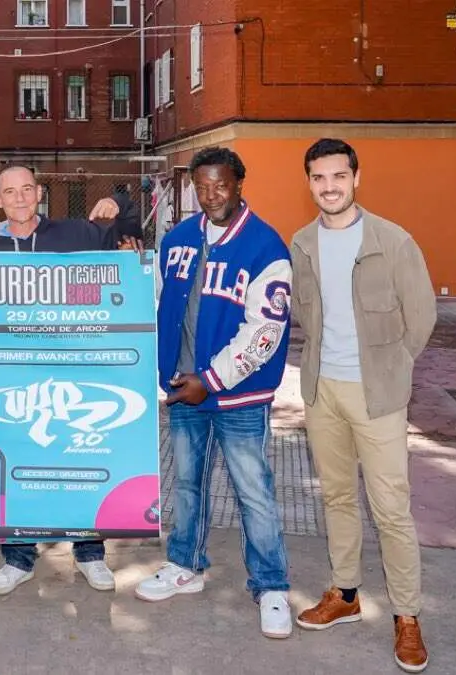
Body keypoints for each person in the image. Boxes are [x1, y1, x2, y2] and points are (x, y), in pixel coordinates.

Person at [288, 138, 435, 672]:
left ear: (356, 178)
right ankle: (345, 593)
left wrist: (392, 368)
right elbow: (304, 313)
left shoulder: (392, 241)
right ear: (309, 183)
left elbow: (421, 317)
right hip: (322, 391)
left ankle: (407, 615)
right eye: (319, 177)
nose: (329, 187)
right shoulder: (302, 243)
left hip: (378, 396)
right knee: (336, 497)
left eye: (338, 176)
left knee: (391, 508)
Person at [136, 146, 294, 640]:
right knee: (186, 484)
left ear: (239, 184)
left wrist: (211, 379)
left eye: (220, 185)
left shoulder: (265, 246)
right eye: (202, 187)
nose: (211, 196)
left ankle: (271, 585)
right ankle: (186, 564)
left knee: (253, 492)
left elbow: (264, 333)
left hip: (237, 396)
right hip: (184, 388)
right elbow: (154, 301)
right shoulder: (177, 239)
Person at [0, 164, 132, 595]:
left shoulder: (75, 233)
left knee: (81, 462)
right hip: (16, 381)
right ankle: (18, 558)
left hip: (75, 373)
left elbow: (129, 220)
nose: (20, 198)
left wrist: (115, 201)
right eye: (11, 192)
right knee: (20, 467)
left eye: (27, 189)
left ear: (40, 193)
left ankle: (90, 553)